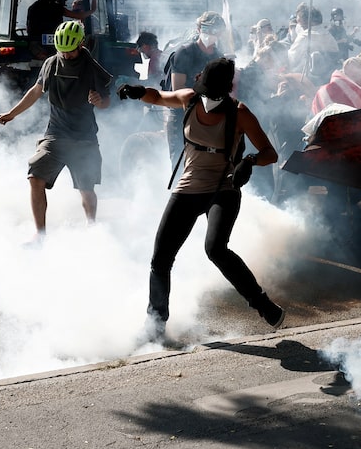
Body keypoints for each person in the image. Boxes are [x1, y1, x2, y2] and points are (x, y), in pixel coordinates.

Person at [116, 58, 284, 340]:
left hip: (224, 189)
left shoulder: (240, 113)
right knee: (160, 258)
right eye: (205, 91)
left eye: (214, 93)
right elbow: (158, 97)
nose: (208, 98)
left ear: (227, 90)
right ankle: (155, 326)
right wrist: (137, 92)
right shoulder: (190, 100)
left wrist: (250, 161)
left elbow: (271, 153)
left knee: (216, 249)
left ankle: (263, 304)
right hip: (188, 187)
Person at [0, 20, 113, 245]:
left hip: (84, 139)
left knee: (86, 189)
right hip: (55, 136)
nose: (66, 56)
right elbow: (36, 90)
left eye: (70, 51)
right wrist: (12, 114)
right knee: (35, 176)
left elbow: (106, 101)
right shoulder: (51, 63)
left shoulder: (91, 67)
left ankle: (92, 229)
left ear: (80, 45)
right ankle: (39, 235)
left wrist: (99, 101)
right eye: (62, 51)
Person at [161, 10, 227, 163]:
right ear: (199, 29)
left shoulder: (218, 56)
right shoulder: (184, 53)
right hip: (182, 118)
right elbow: (178, 90)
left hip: (207, 119)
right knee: (180, 164)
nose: (210, 33)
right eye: (206, 29)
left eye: (214, 30)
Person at [26, 0, 97, 59]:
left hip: (37, 44)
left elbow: (29, 29)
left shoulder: (33, 8)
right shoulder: (56, 8)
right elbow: (78, 16)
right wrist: (92, 10)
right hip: (56, 43)